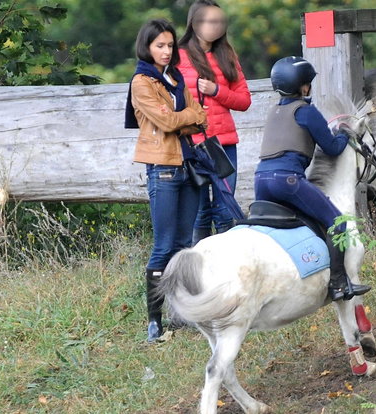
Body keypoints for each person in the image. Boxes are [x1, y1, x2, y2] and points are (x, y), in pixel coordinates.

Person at [254, 56, 370, 302]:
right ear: (304, 86)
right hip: (287, 182)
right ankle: (338, 283)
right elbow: (332, 148)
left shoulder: (274, 111)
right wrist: (342, 132)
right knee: (338, 222)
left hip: (261, 181)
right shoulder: (306, 111)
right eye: (308, 83)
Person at [125, 18, 207, 342]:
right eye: (160, 45)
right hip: (163, 168)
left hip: (188, 166)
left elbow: (198, 116)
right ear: (147, 46)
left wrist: (183, 119)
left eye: (170, 45)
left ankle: (182, 313)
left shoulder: (175, 77)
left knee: (184, 246)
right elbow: (168, 120)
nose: (166, 51)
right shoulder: (142, 82)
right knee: (163, 246)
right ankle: (154, 322)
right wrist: (185, 118)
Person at [178, 0, 251, 243]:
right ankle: (196, 264)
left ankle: (227, 262)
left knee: (224, 208)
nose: (214, 26)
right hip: (192, 144)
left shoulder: (227, 54)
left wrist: (216, 89)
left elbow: (244, 101)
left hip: (224, 144)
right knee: (199, 211)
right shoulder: (178, 56)